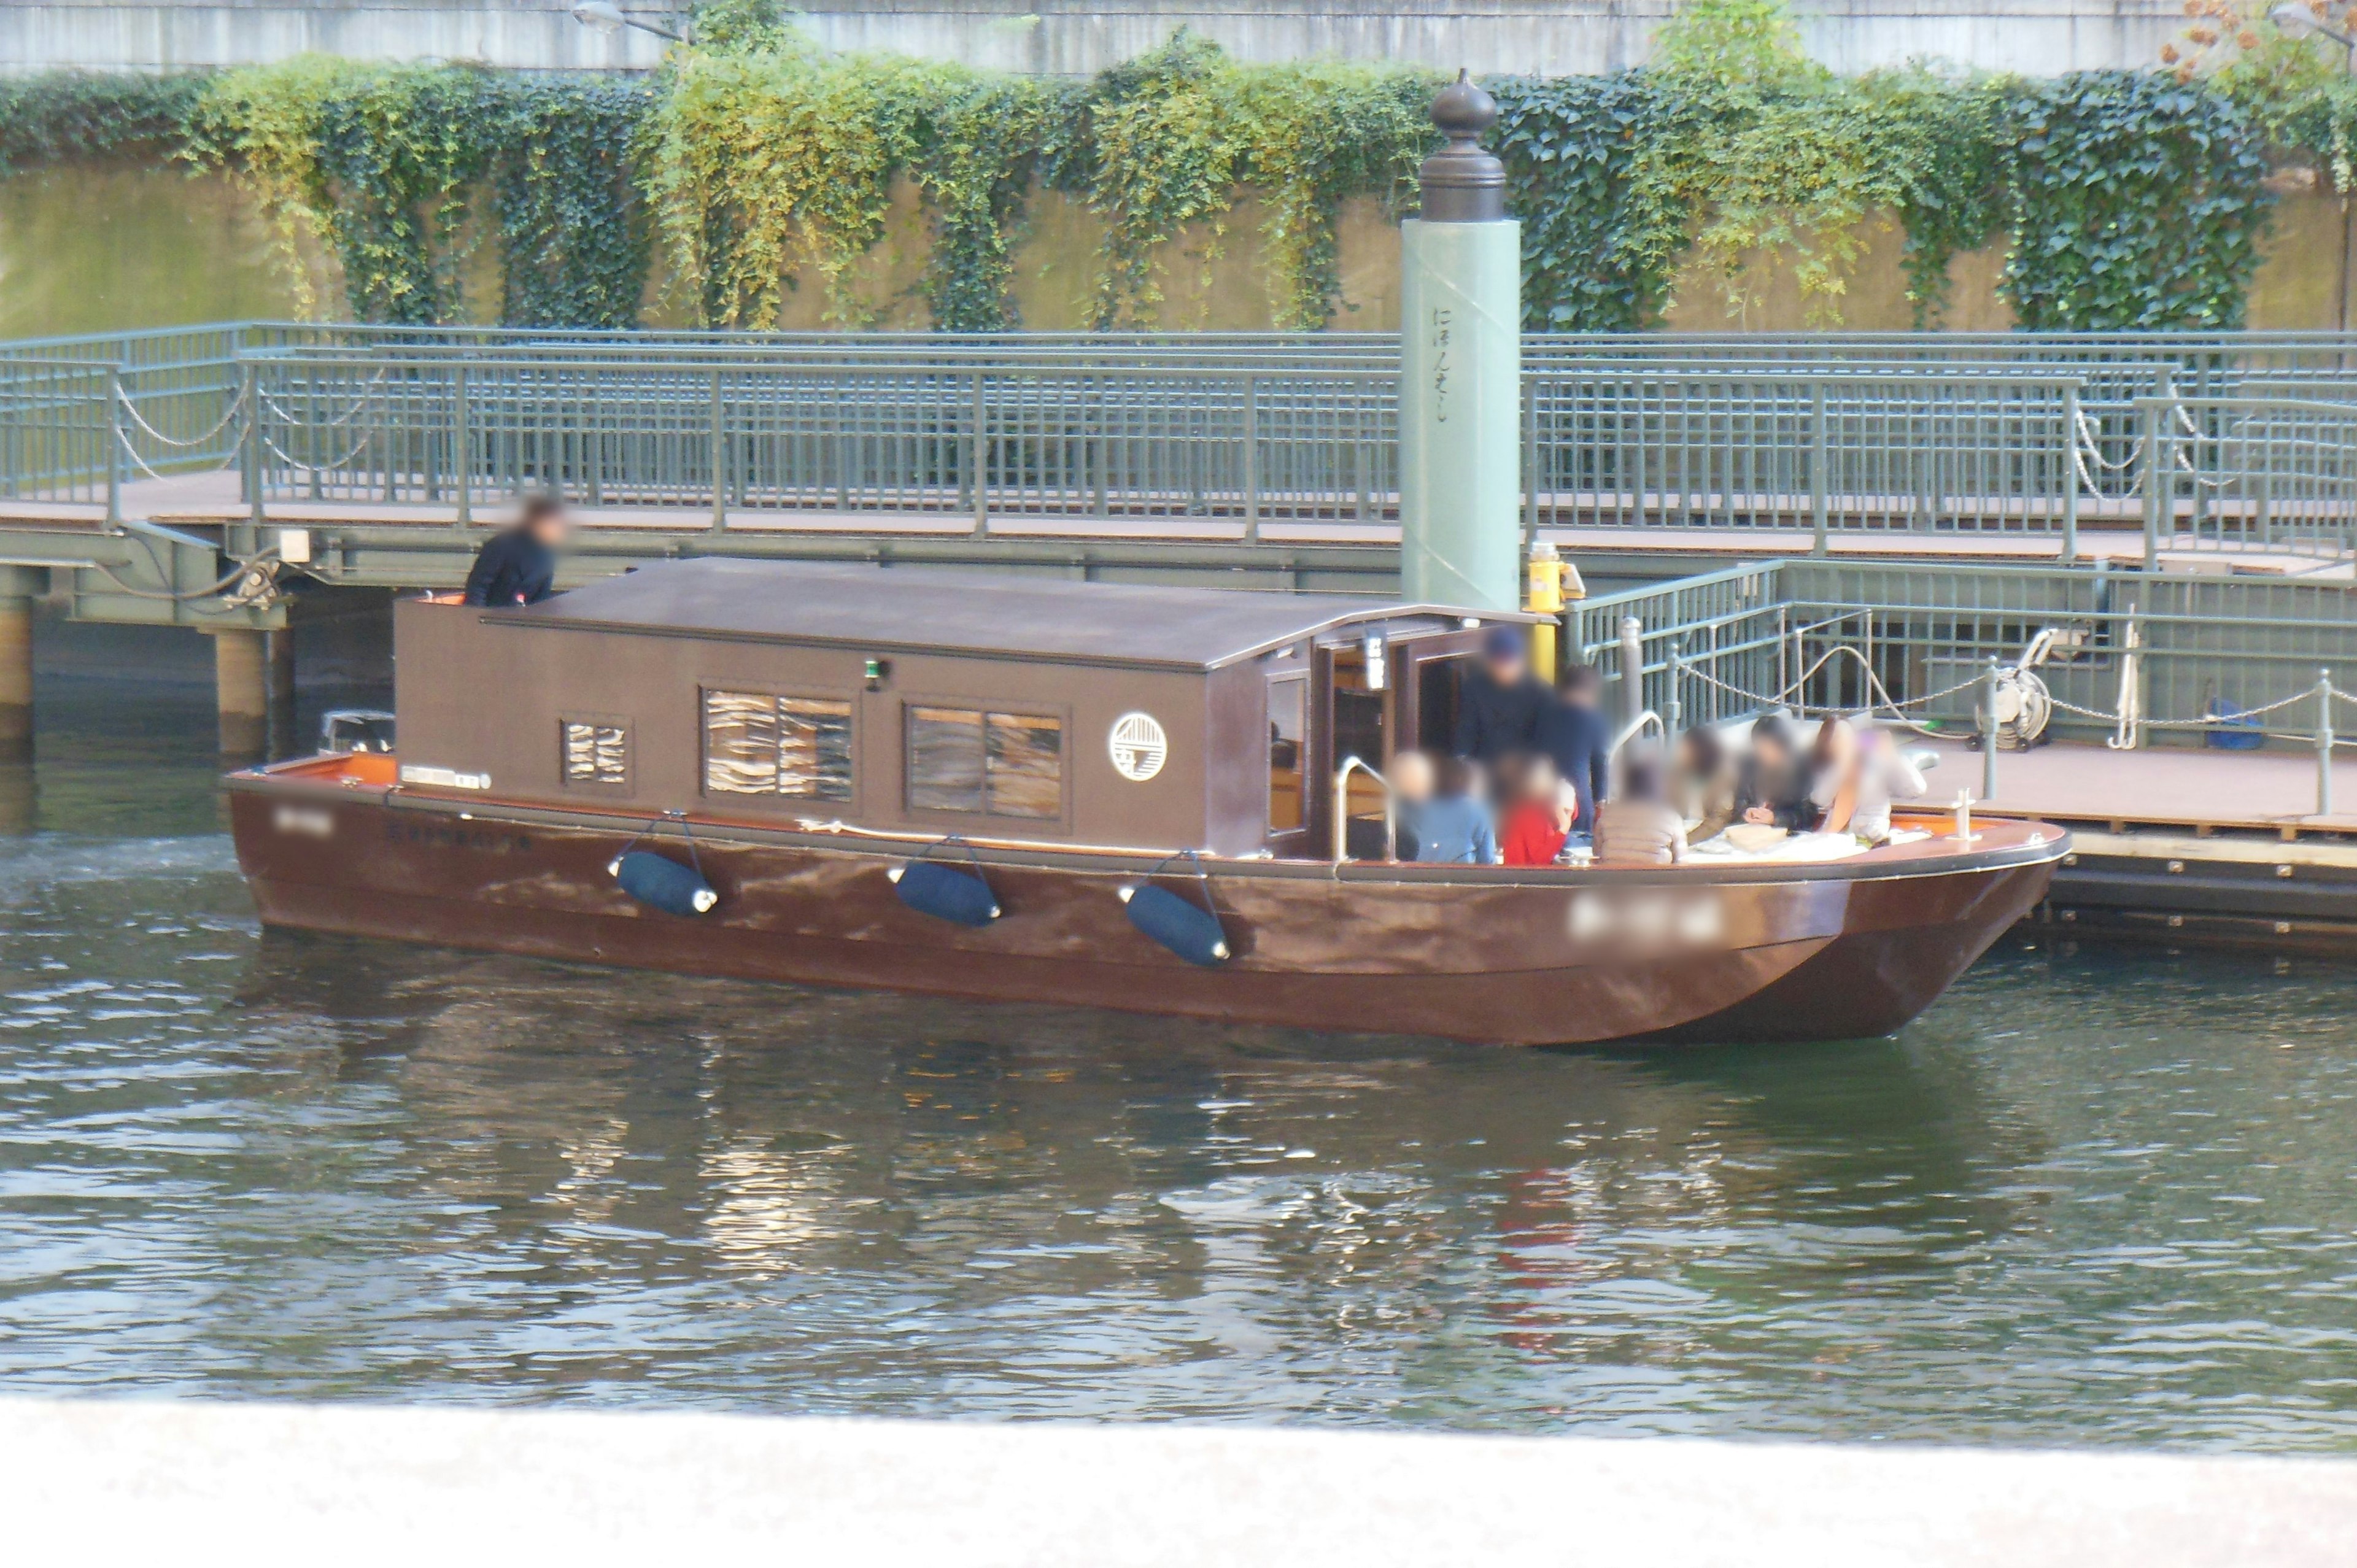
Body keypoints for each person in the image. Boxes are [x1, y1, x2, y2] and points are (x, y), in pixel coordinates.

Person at [1453, 626, 1551, 767]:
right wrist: (1461, 764)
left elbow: (1546, 745)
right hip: (1483, 772)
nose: (1503, 668)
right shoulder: (1474, 687)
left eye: (1508, 662)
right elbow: (1466, 734)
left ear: (1521, 661)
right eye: (1498, 663)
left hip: (1524, 774)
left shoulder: (1543, 693)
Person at [1537, 662, 1612, 836]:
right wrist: (1600, 801)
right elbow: (1600, 764)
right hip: (1579, 801)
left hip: (1544, 797)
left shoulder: (1545, 715)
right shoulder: (1596, 720)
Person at [462, 493, 570, 608]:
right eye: (557, 525)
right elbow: (477, 589)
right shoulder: (502, 545)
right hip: (490, 617)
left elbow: (541, 600)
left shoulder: (546, 555)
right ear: (539, 523)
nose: (561, 531)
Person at [1395, 751, 1497, 865]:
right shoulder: (1479, 811)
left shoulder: (1417, 810)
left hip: (1420, 878)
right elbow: (1488, 863)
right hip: (1461, 879)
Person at [1839, 717, 1930, 843]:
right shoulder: (1834, 764)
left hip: (1871, 833)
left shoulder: (1881, 764)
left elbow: (1916, 790)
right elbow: (1821, 800)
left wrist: (1892, 755)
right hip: (1839, 833)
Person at [1593, 755, 1688, 867]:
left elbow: (1597, 852)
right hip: (1656, 881)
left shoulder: (1608, 813)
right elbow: (1681, 862)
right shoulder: (1671, 818)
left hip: (1612, 881)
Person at [1736, 714, 1817, 832]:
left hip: (1790, 832)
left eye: (1770, 747)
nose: (1765, 753)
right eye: (1760, 747)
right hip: (1755, 830)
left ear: (1783, 744)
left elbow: (1808, 813)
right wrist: (1748, 812)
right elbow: (1740, 801)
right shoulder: (1749, 763)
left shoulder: (1801, 765)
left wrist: (1775, 818)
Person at [1499, 755, 1574, 867]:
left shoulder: (1529, 807)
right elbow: (1540, 858)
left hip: (1520, 877)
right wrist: (1563, 831)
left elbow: (1563, 816)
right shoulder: (1528, 814)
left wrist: (1567, 799)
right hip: (1525, 878)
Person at [1672, 725, 1741, 843]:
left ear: (1701, 751)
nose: (1681, 751)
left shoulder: (1725, 775)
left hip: (1708, 831)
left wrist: (1685, 841)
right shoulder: (1678, 771)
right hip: (1680, 828)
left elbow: (1718, 819)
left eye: (1686, 748)